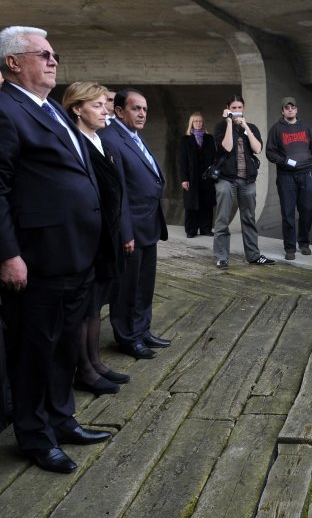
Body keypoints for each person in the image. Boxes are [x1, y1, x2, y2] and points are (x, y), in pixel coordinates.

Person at [0, 26, 111, 473]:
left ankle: (62, 419)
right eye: (43, 54)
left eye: (54, 54)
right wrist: (8, 254)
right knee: (33, 350)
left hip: (75, 253)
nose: (53, 61)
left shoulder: (51, 109)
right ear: (12, 62)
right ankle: (35, 436)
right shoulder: (6, 111)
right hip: (38, 257)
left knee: (66, 345)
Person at [63, 82, 129, 395]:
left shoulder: (98, 140)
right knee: (85, 306)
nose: (106, 111)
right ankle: (84, 369)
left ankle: (95, 361)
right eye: (98, 105)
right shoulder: (76, 141)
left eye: (106, 104)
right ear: (77, 109)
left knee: (96, 303)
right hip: (89, 235)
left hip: (107, 235)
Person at [99, 88, 170, 360]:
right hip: (130, 229)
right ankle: (127, 337)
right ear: (119, 111)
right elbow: (118, 193)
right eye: (136, 108)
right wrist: (125, 231)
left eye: (145, 109)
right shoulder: (111, 139)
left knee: (144, 285)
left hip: (148, 224)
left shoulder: (133, 137)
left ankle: (142, 330)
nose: (142, 114)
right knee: (127, 287)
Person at [212, 94, 275, 268]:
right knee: (223, 219)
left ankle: (253, 256)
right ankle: (222, 256)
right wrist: (230, 123)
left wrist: (245, 125)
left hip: (247, 180)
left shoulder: (251, 127)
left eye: (240, 108)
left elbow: (258, 148)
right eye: (234, 108)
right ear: (227, 109)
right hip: (226, 180)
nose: (237, 111)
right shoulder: (221, 127)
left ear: (244, 108)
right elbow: (227, 147)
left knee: (249, 218)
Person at [265, 97, 312, 260]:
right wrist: (284, 161)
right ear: (282, 111)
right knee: (288, 213)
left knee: (307, 211)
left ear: (296, 110)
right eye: (287, 108)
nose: (290, 110)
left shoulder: (305, 127)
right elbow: (270, 152)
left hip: (305, 175)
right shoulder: (276, 129)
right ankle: (290, 248)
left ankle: (304, 243)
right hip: (286, 177)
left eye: (292, 107)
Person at [180, 112, 217, 238]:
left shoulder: (209, 138)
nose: (198, 123)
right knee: (191, 204)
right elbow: (182, 160)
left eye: (200, 121)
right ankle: (191, 230)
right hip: (191, 177)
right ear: (191, 123)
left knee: (207, 203)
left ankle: (206, 229)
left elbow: (214, 158)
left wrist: (214, 175)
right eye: (195, 121)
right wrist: (184, 179)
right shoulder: (185, 140)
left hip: (207, 177)